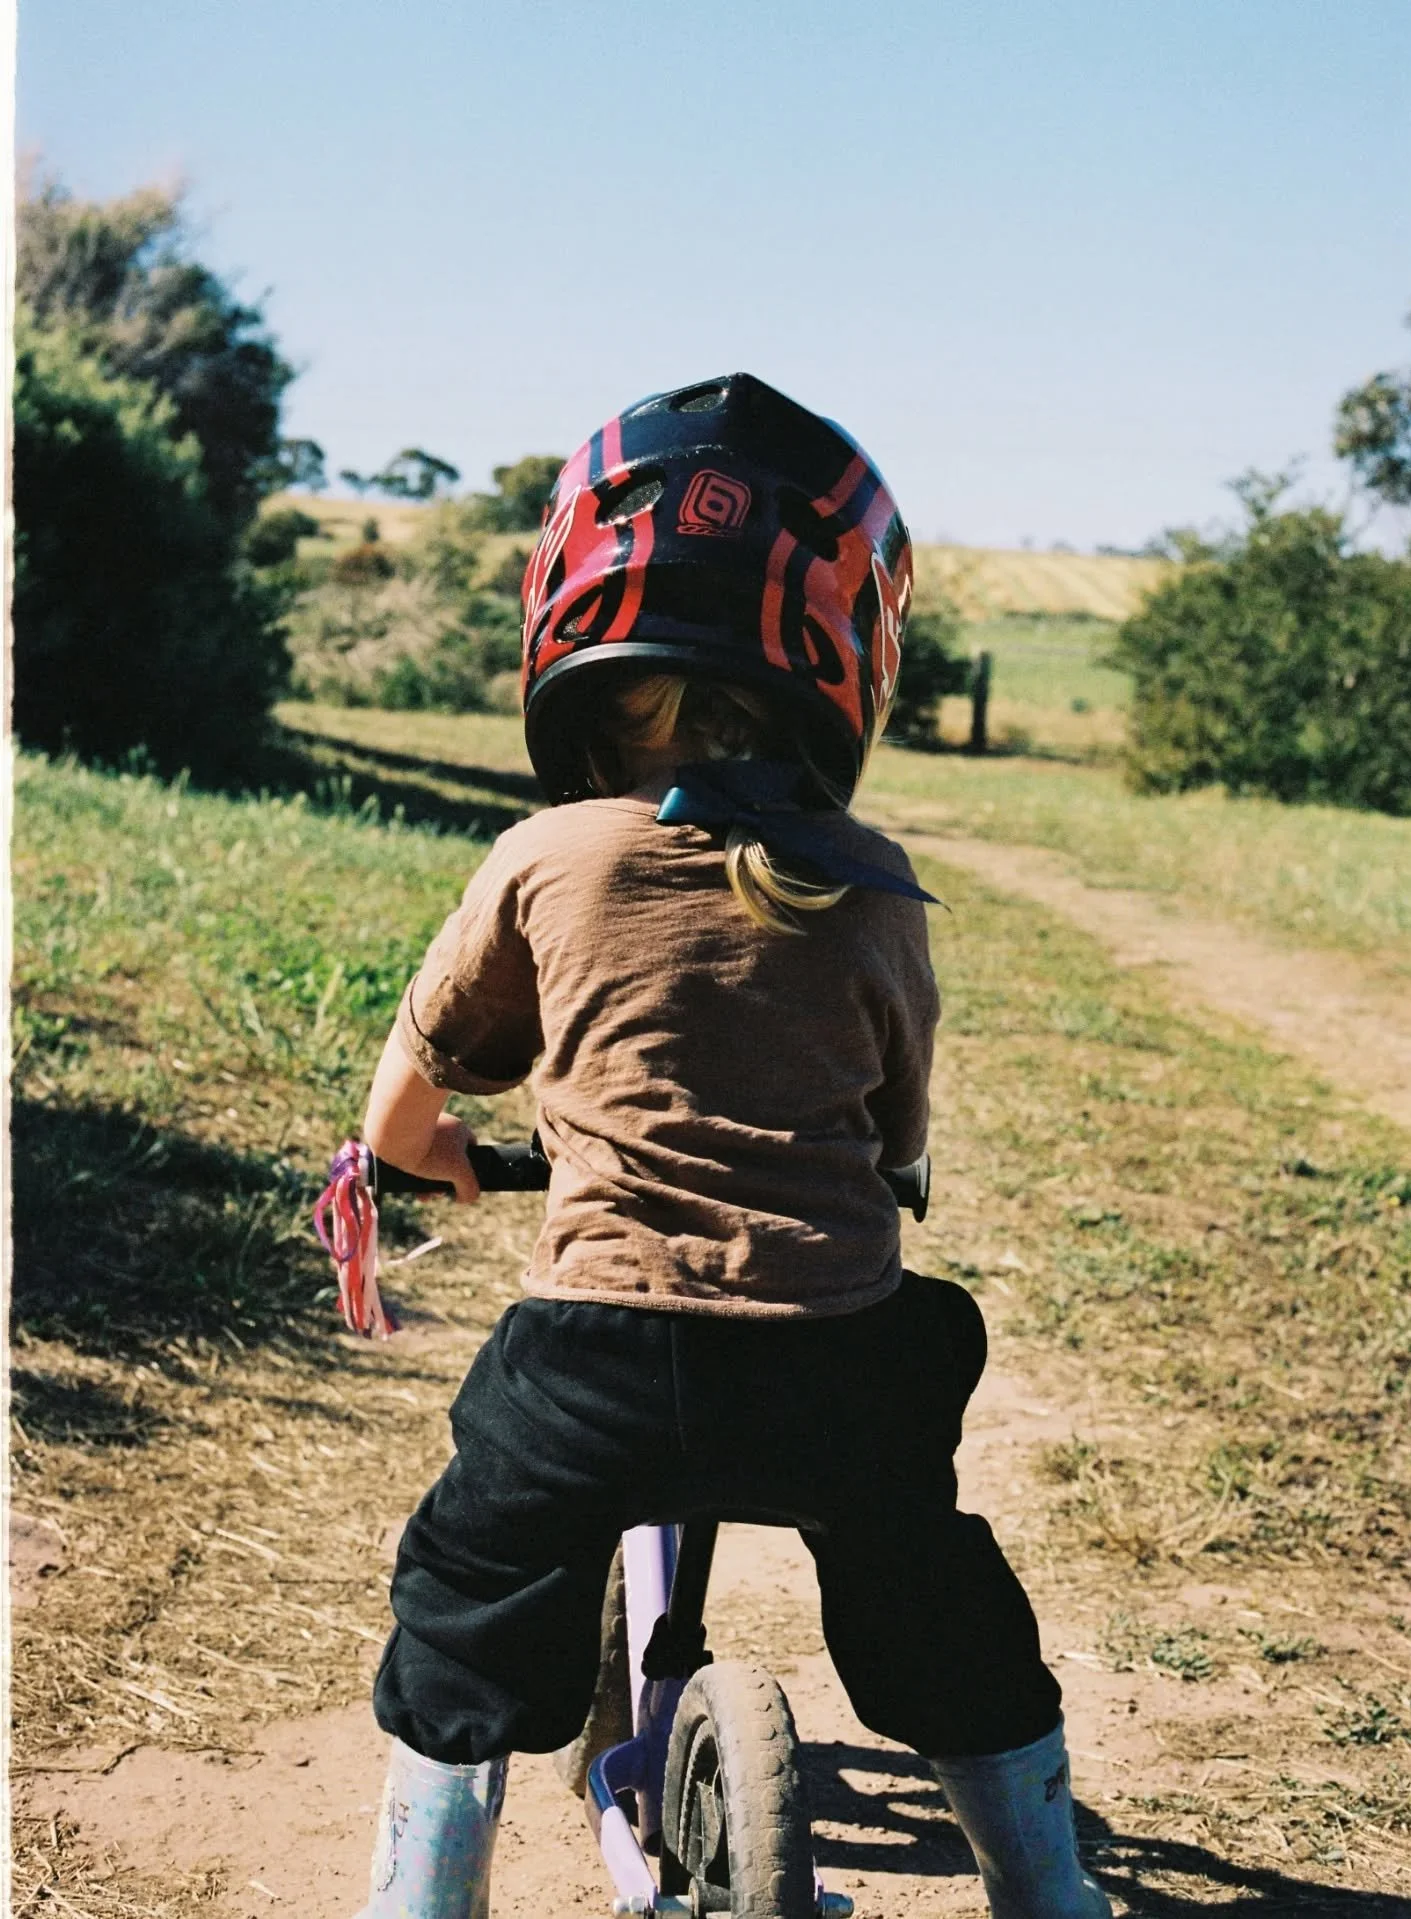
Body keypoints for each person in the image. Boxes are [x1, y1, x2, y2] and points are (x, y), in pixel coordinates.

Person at [355, 373, 1109, 1919]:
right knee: (937, 1604)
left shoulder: (547, 855)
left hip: (595, 1367)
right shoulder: (877, 888)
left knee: (468, 1604)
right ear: (845, 671)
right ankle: (1050, 1892)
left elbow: (411, 1102)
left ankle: (418, 1900)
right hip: (832, 1357)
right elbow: (898, 1133)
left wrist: (420, 1156)